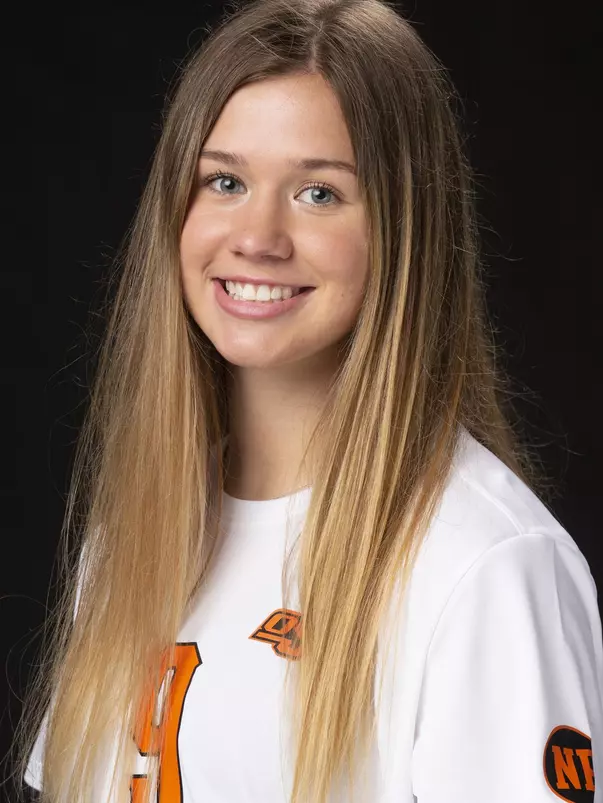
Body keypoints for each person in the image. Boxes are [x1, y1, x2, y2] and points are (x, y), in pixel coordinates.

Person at [14, 0, 602, 800]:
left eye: (318, 194)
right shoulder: (139, 529)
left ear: (403, 228)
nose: (257, 235)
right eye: (224, 181)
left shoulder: (483, 566)